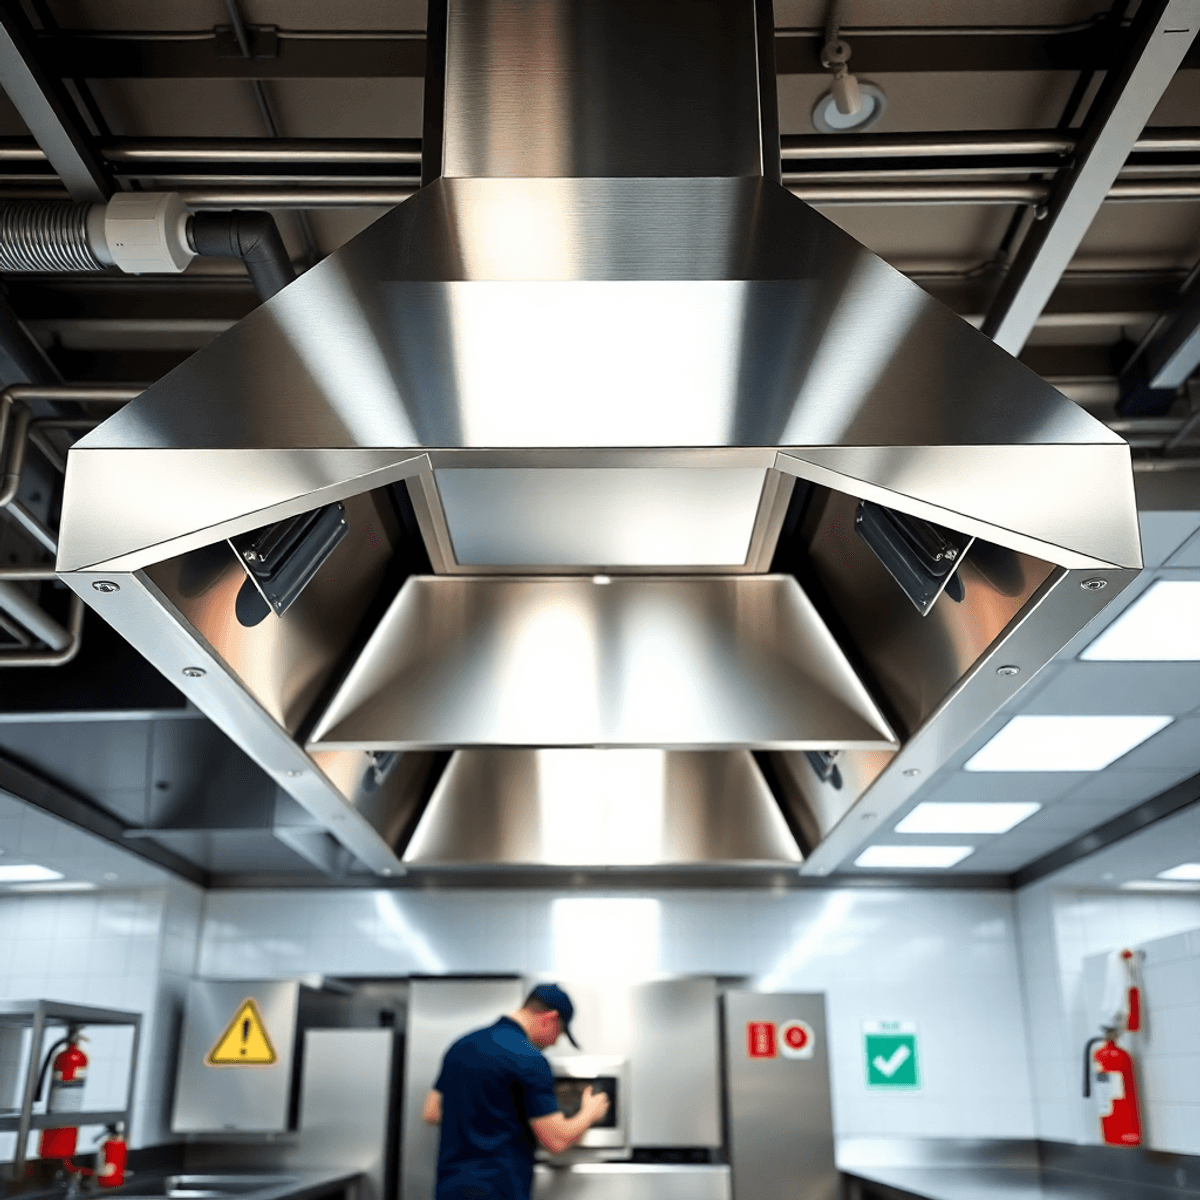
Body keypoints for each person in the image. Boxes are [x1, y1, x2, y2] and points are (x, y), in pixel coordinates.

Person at [422, 984, 610, 1200]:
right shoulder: (530, 1059)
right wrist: (590, 1112)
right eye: (559, 1032)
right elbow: (555, 1141)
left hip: (450, 1189)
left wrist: (480, 1116)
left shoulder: (460, 1046)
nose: (556, 1041)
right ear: (549, 1018)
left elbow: (432, 1112)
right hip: (497, 1189)